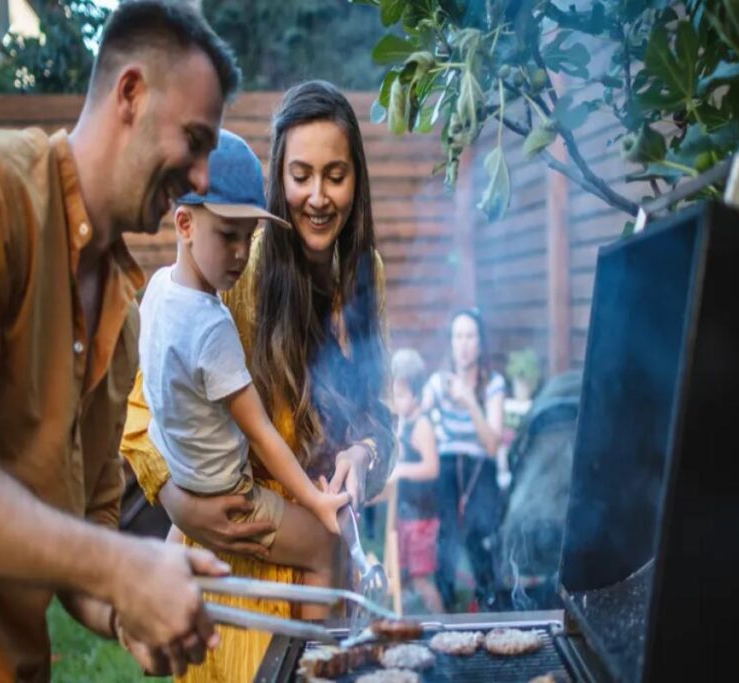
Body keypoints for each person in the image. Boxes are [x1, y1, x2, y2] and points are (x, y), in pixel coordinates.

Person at [0, 2, 250, 680]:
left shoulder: (124, 310)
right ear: (131, 93)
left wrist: (126, 609)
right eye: (197, 140)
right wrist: (122, 566)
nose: (203, 179)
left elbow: (84, 530)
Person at [121, 80, 395, 682]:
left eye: (335, 175)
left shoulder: (365, 271)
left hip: (322, 563)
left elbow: (381, 414)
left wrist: (365, 452)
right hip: (237, 559)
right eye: (301, 175)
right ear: (279, 178)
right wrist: (184, 507)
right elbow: (146, 412)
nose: (318, 197)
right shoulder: (238, 261)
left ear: (357, 181)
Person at [140, 129, 350, 615]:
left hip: (185, 474)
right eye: (228, 236)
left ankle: (155, 607)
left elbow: (158, 393)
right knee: (326, 548)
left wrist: (179, 499)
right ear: (185, 223)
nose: (241, 253)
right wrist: (318, 505)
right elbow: (262, 436)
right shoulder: (213, 326)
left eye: (250, 237)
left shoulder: (156, 290)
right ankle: (310, 663)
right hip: (230, 495)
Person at [423, 308, 507, 612]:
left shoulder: (493, 384)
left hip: (479, 466)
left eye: (470, 336)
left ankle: (489, 604)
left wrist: (471, 401)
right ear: (451, 342)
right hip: (446, 465)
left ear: (480, 343)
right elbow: (417, 415)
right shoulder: (437, 382)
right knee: (447, 535)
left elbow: (492, 445)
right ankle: (445, 607)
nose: (464, 343)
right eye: (458, 336)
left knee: (480, 533)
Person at [388, 348, 444, 614]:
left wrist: (401, 470)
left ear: (416, 395)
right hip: (406, 513)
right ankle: (411, 624)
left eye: (400, 396)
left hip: (422, 517)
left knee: (421, 579)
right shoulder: (403, 422)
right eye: (393, 395)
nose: (395, 401)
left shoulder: (422, 425)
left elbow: (432, 468)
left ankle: (446, 624)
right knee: (407, 577)